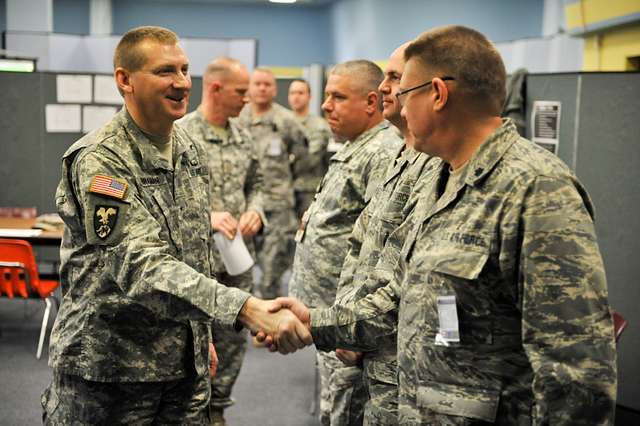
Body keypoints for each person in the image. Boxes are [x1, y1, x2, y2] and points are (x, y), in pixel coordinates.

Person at [268, 25, 617, 425]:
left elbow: (576, 370)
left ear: (437, 94)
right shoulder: (438, 179)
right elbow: (395, 298)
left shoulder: (536, 190)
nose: (394, 104)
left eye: (403, 93)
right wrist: (318, 321)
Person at [43, 26, 311, 425]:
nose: (182, 83)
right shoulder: (101, 160)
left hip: (184, 366)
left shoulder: (188, 150)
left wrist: (198, 336)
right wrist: (245, 309)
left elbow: (192, 252)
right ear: (125, 80)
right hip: (112, 371)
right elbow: (139, 264)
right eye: (166, 71)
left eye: (185, 70)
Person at [288, 60, 403, 426]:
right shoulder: (358, 146)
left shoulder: (382, 152)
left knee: (344, 408)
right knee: (332, 404)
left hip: (346, 319)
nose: (325, 106)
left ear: (371, 103)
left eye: (338, 97)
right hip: (326, 315)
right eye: (326, 96)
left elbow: (379, 247)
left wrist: (350, 326)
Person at [330, 43, 437, 425]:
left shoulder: (436, 164)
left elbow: (403, 277)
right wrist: (343, 318)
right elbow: (360, 249)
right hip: (363, 340)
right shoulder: (399, 156)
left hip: (394, 358)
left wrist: (340, 327)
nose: (385, 88)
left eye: (396, 78)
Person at [178, 56, 264, 426]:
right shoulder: (181, 135)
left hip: (238, 262)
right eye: (241, 92)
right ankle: (190, 413)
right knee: (192, 343)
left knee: (231, 343)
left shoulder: (244, 136)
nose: (247, 99)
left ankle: (217, 412)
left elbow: (256, 185)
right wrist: (207, 217)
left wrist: (256, 211)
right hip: (194, 266)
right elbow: (165, 201)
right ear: (215, 88)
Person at [237, 68, 308, 300]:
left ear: (275, 89)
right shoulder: (238, 118)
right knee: (238, 268)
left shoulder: (286, 121)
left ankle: (267, 326)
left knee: (272, 271)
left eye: (267, 84)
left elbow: (302, 160)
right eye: (257, 84)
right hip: (243, 206)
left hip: (278, 205)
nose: (262, 88)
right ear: (249, 87)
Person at [287, 78, 333, 219]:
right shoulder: (283, 122)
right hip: (284, 191)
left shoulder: (319, 126)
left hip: (308, 190)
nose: (296, 96)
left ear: (309, 97)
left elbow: (311, 159)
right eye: (293, 93)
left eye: (301, 93)